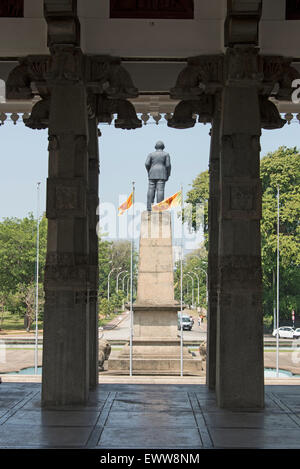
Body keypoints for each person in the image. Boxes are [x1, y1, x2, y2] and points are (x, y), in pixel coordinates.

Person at [145, 141, 171, 211]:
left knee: (150, 189)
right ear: (163, 147)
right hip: (162, 173)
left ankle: (149, 207)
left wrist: (149, 171)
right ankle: (159, 208)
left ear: (155, 147)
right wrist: (168, 174)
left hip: (152, 172)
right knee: (160, 190)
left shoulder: (151, 154)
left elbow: (147, 163)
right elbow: (168, 165)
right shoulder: (166, 154)